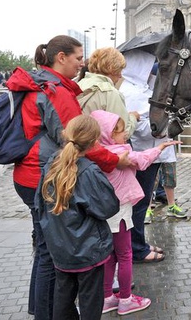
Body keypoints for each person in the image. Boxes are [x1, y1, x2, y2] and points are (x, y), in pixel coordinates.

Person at [6, 35, 125, 319]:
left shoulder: (40, 84)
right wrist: (115, 159)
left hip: (30, 174)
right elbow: (80, 140)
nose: (82, 63)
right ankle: (47, 313)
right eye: (78, 58)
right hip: (43, 174)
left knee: (47, 247)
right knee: (51, 252)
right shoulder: (54, 91)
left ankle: (43, 309)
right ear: (61, 58)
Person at [89, 110, 179, 315]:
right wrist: (161, 148)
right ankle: (126, 299)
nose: (125, 135)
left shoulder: (98, 153)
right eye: (121, 132)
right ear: (109, 135)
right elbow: (141, 158)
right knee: (125, 255)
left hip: (104, 213)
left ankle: (106, 298)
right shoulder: (120, 153)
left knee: (109, 256)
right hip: (119, 212)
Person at [36, 115, 120, 320]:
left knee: (63, 300)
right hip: (88, 249)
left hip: (60, 248)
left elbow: (39, 204)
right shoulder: (88, 171)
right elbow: (108, 207)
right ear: (93, 142)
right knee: (90, 302)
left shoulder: (51, 165)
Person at [118, 49, 172, 262]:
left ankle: (138, 243)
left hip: (152, 153)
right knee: (139, 204)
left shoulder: (143, 87)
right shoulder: (131, 92)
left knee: (142, 202)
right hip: (143, 153)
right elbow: (133, 125)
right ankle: (136, 248)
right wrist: (159, 128)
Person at [77, 47, 139, 139]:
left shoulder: (78, 85)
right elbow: (122, 134)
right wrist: (133, 118)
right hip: (102, 149)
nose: (120, 75)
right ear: (111, 68)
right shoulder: (110, 93)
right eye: (120, 69)